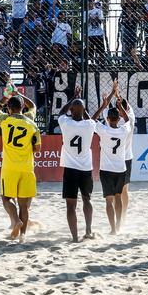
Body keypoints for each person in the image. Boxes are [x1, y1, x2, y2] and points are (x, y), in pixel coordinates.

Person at [0, 90, 41, 240]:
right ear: (22, 107)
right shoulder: (31, 122)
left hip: (9, 167)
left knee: (6, 198)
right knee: (24, 204)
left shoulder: (5, 119)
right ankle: (23, 235)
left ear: (9, 109)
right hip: (27, 167)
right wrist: (18, 94)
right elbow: (37, 148)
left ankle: (16, 220)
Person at [91, 82, 132, 235]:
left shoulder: (103, 130)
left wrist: (103, 105)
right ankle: (119, 224)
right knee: (118, 198)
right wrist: (121, 107)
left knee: (109, 200)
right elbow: (127, 120)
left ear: (107, 119)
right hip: (120, 168)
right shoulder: (123, 130)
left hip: (106, 170)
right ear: (117, 119)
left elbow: (92, 119)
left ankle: (113, 229)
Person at [58, 85, 96, 242]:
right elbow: (88, 118)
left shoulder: (65, 123)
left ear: (71, 111)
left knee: (70, 205)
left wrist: (73, 98)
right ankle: (88, 230)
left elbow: (61, 112)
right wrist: (81, 107)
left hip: (70, 169)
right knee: (87, 199)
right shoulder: (90, 125)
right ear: (84, 111)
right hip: (86, 168)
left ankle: (74, 238)